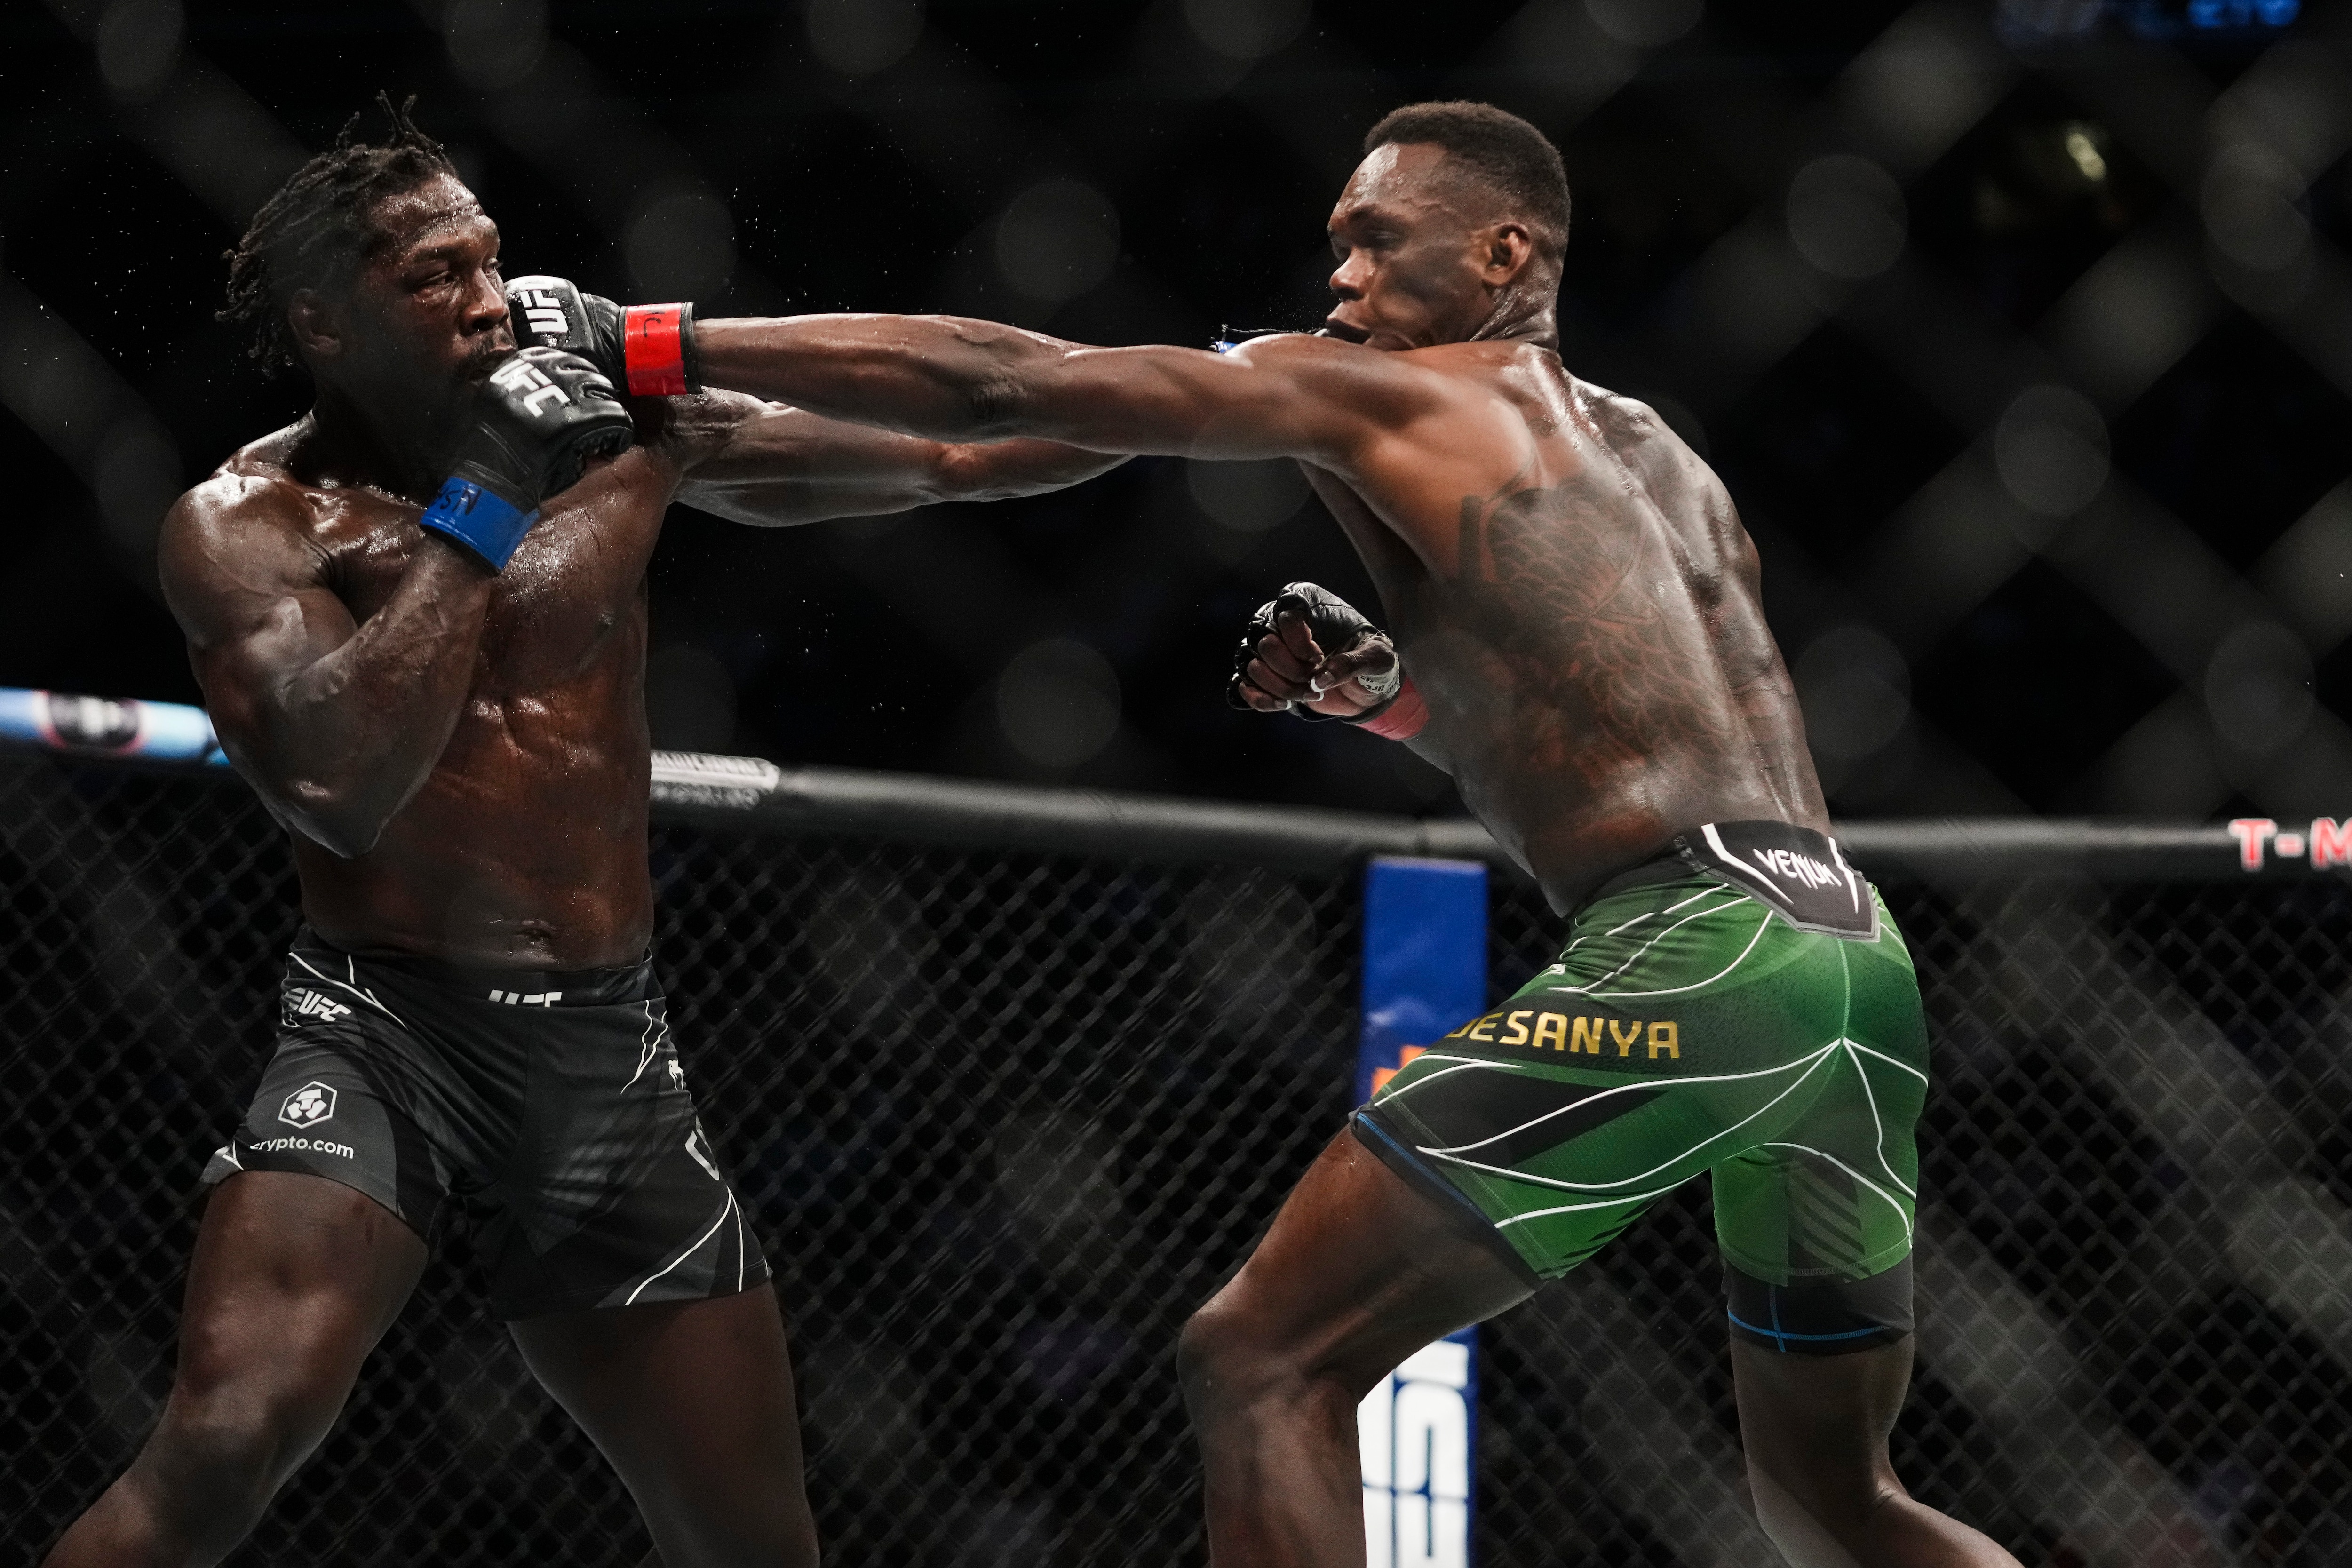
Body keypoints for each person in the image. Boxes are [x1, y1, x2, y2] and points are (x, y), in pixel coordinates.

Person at [558, 99, 2025, 1568]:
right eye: (1335, 250)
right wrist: (1391, 702)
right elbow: (1613, 736)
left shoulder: (1371, 395)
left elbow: (1008, 393)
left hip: (1696, 963)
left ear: (1507, 249)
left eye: (1377, 242)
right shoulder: (1666, 463)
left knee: (1262, 1357)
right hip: (1854, 968)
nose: (1340, 281)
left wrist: (647, 339)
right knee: (1840, 1504)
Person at [40, 98, 1118, 1568]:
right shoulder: (250, 523)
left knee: (753, 1541)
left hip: (607, 1054)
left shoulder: (625, 433)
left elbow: (968, 445)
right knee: (227, 1440)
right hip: (383, 1035)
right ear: (328, 321)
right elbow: (335, 784)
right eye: (433, 276)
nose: (488, 302)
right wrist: (484, 495)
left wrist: (1225, 406)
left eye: (491, 261)